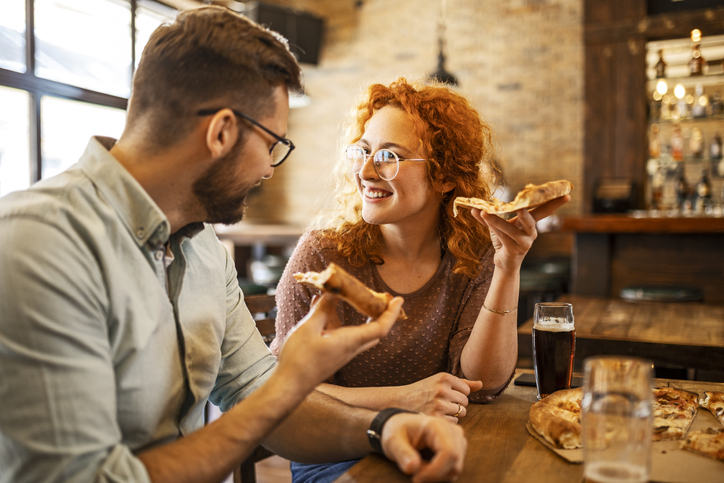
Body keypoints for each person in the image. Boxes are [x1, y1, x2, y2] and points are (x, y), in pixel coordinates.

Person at [0, 8, 468, 483]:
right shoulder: (36, 243)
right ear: (221, 132)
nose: (269, 169)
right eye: (272, 145)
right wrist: (287, 384)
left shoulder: (202, 247)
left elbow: (256, 394)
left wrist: (383, 429)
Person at [271, 77, 570, 482]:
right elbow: (282, 389)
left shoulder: (473, 252)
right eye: (363, 152)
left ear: (444, 176)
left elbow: (484, 384)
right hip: (336, 452)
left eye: (389, 157)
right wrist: (401, 401)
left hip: (439, 442)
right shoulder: (323, 253)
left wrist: (508, 266)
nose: (366, 171)